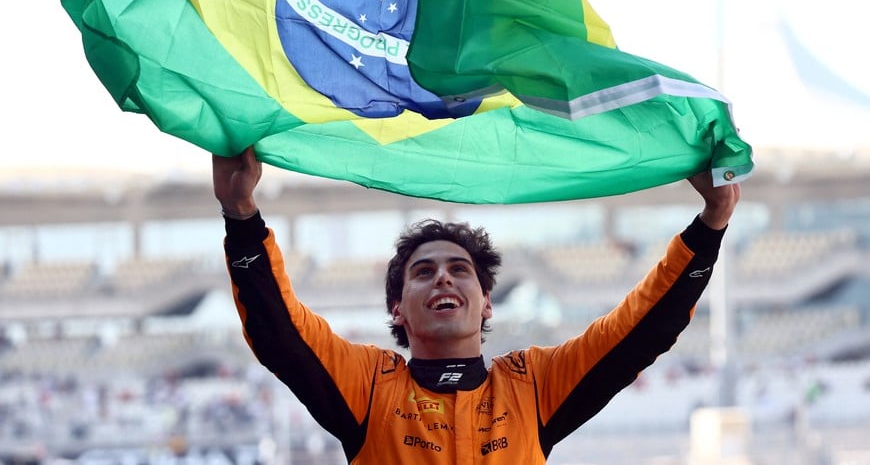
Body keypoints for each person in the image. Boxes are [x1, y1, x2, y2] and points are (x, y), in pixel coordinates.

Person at [213, 146, 740, 464]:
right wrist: (240, 216)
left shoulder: (532, 387)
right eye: (423, 272)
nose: (443, 276)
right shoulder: (370, 387)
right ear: (398, 309)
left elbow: (638, 332)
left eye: (459, 269)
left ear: (486, 304)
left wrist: (710, 225)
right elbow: (281, 332)